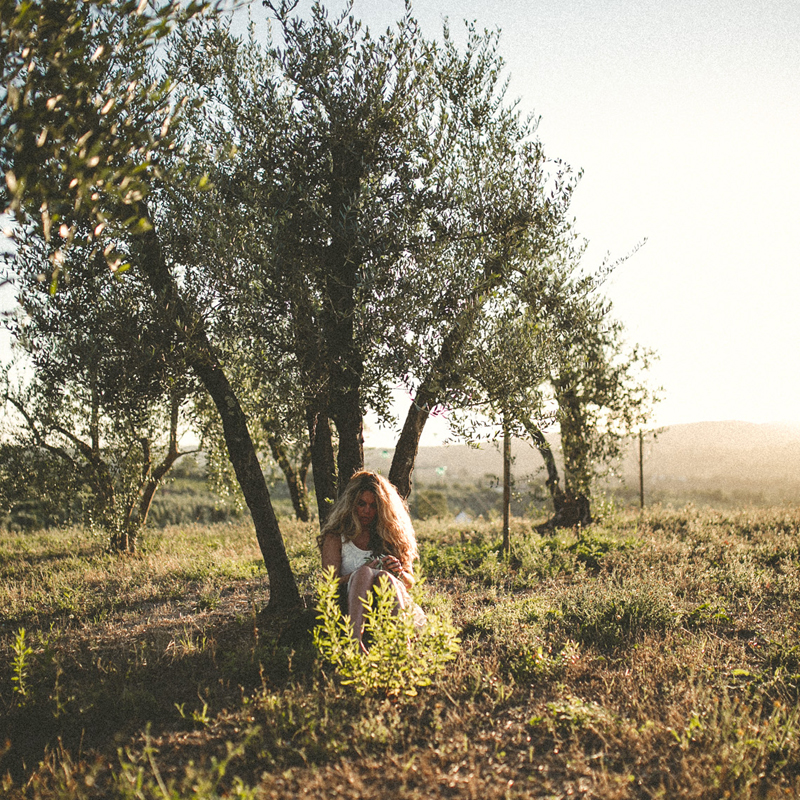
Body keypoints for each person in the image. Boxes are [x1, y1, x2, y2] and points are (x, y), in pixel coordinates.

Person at [318, 470, 423, 650]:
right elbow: (329, 584)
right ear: (351, 504)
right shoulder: (336, 537)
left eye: (374, 506)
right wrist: (362, 570)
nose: (367, 511)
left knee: (385, 577)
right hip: (351, 604)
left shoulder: (392, 537)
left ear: (383, 508)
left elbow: (410, 582)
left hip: (389, 599)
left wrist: (398, 572)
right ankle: (356, 641)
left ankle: (401, 643)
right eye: (361, 504)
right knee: (364, 573)